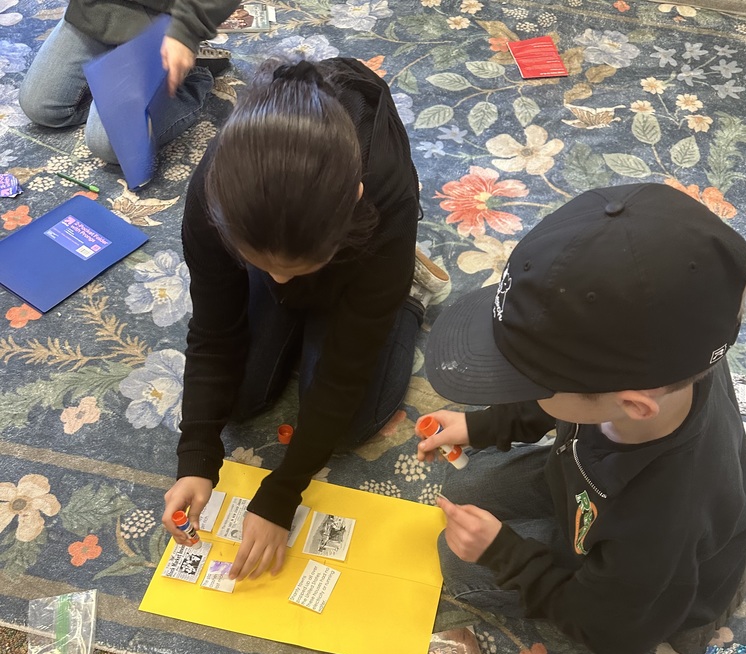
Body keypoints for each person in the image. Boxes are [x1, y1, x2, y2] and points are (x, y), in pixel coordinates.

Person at [418, 182, 746, 654]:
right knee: (471, 487)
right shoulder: (671, 354)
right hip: (589, 489)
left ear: (631, 405)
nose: (514, 387)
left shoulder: (658, 522)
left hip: (648, 588)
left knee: (460, 563)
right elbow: (568, 395)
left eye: (530, 380)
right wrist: (484, 426)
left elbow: (612, 635)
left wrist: (506, 555)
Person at [162, 56, 447, 580]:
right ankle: (290, 284)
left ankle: (408, 290)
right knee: (237, 400)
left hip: (362, 263)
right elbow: (211, 330)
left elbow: (346, 367)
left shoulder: (382, 197)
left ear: (353, 204)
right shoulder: (214, 194)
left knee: (352, 422)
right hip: (300, 238)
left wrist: (282, 492)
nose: (281, 283)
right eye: (263, 264)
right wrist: (197, 453)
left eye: (295, 269)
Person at [18, 0, 237, 164]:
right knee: (41, 107)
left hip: (164, 20)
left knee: (110, 144)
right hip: (96, 8)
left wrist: (187, 31)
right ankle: (117, 83)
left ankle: (192, 73)